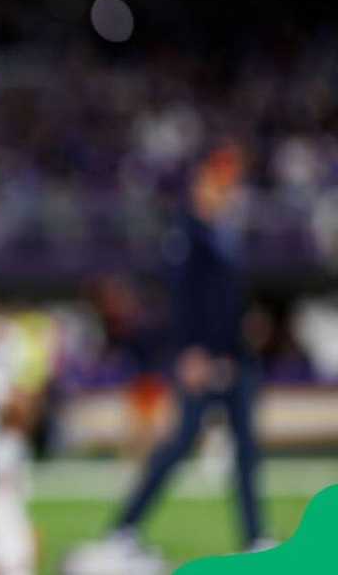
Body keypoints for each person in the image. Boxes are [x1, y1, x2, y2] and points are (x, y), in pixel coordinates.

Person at [66, 145, 271, 574]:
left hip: (235, 359)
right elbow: (183, 302)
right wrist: (193, 352)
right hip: (203, 360)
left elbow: (227, 298)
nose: (224, 190)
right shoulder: (188, 234)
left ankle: (255, 538)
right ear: (200, 184)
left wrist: (240, 335)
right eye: (217, 181)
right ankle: (123, 531)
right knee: (179, 446)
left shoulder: (224, 232)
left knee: (247, 450)